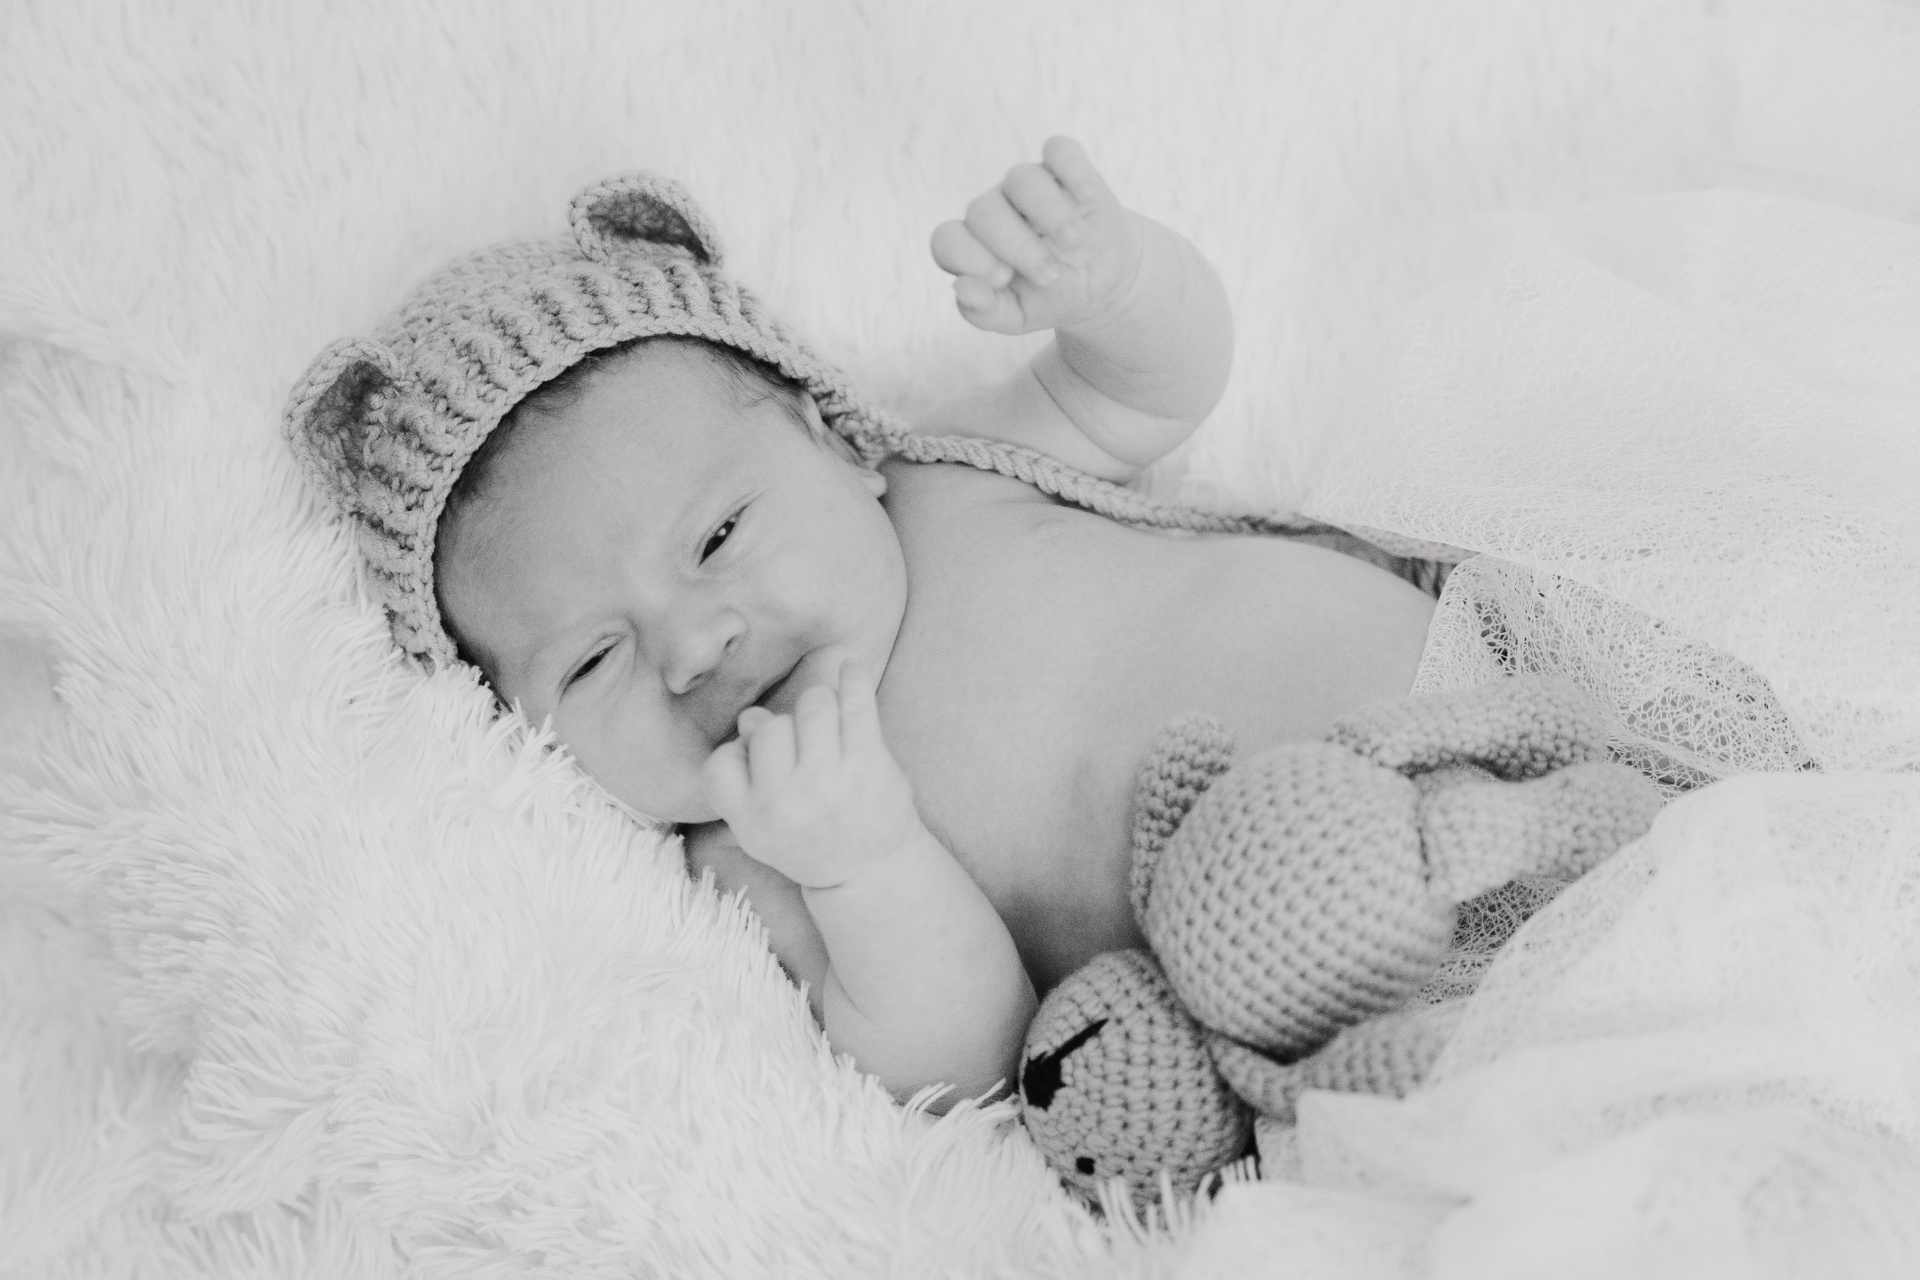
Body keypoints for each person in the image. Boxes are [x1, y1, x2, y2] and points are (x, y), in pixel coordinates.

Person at [285, 137, 1441, 1110]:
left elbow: (1152, 386)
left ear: (835, 440)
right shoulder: (757, 848)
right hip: (1372, 990)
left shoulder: (948, 475)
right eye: (593, 660)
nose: (693, 648)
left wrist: (1116, 282)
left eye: (717, 537)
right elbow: (967, 1063)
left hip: (1464, 679)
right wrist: (865, 861)